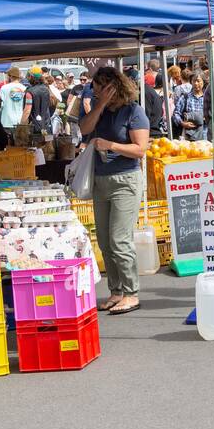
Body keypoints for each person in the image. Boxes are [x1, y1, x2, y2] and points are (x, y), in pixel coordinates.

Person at [78, 66, 150, 315]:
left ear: (113, 87)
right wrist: (99, 105)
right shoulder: (101, 110)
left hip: (125, 180)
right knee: (106, 241)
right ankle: (116, 290)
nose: (96, 92)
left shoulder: (133, 111)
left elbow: (140, 149)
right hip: (101, 180)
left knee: (120, 239)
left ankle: (131, 292)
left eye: (100, 88)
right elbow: (85, 129)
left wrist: (110, 145)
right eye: (95, 89)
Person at [174, 71, 209, 141]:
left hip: (204, 134)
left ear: (203, 82)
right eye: (194, 81)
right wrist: (182, 123)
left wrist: (206, 118)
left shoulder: (207, 98)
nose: (196, 83)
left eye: (198, 81)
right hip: (188, 135)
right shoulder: (185, 97)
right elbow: (176, 113)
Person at [25, 68, 58, 137]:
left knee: (35, 147)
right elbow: (53, 104)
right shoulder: (46, 88)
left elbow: (27, 111)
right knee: (48, 146)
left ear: (31, 77)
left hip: (34, 128)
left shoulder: (29, 91)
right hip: (47, 125)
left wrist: (21, 124)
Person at [0, 66, 29, 133]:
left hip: (7, 121)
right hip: (20, 121)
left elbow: (0, 105)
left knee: (8, 143)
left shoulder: (4, 88)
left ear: (10, 76)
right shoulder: (24, 88)